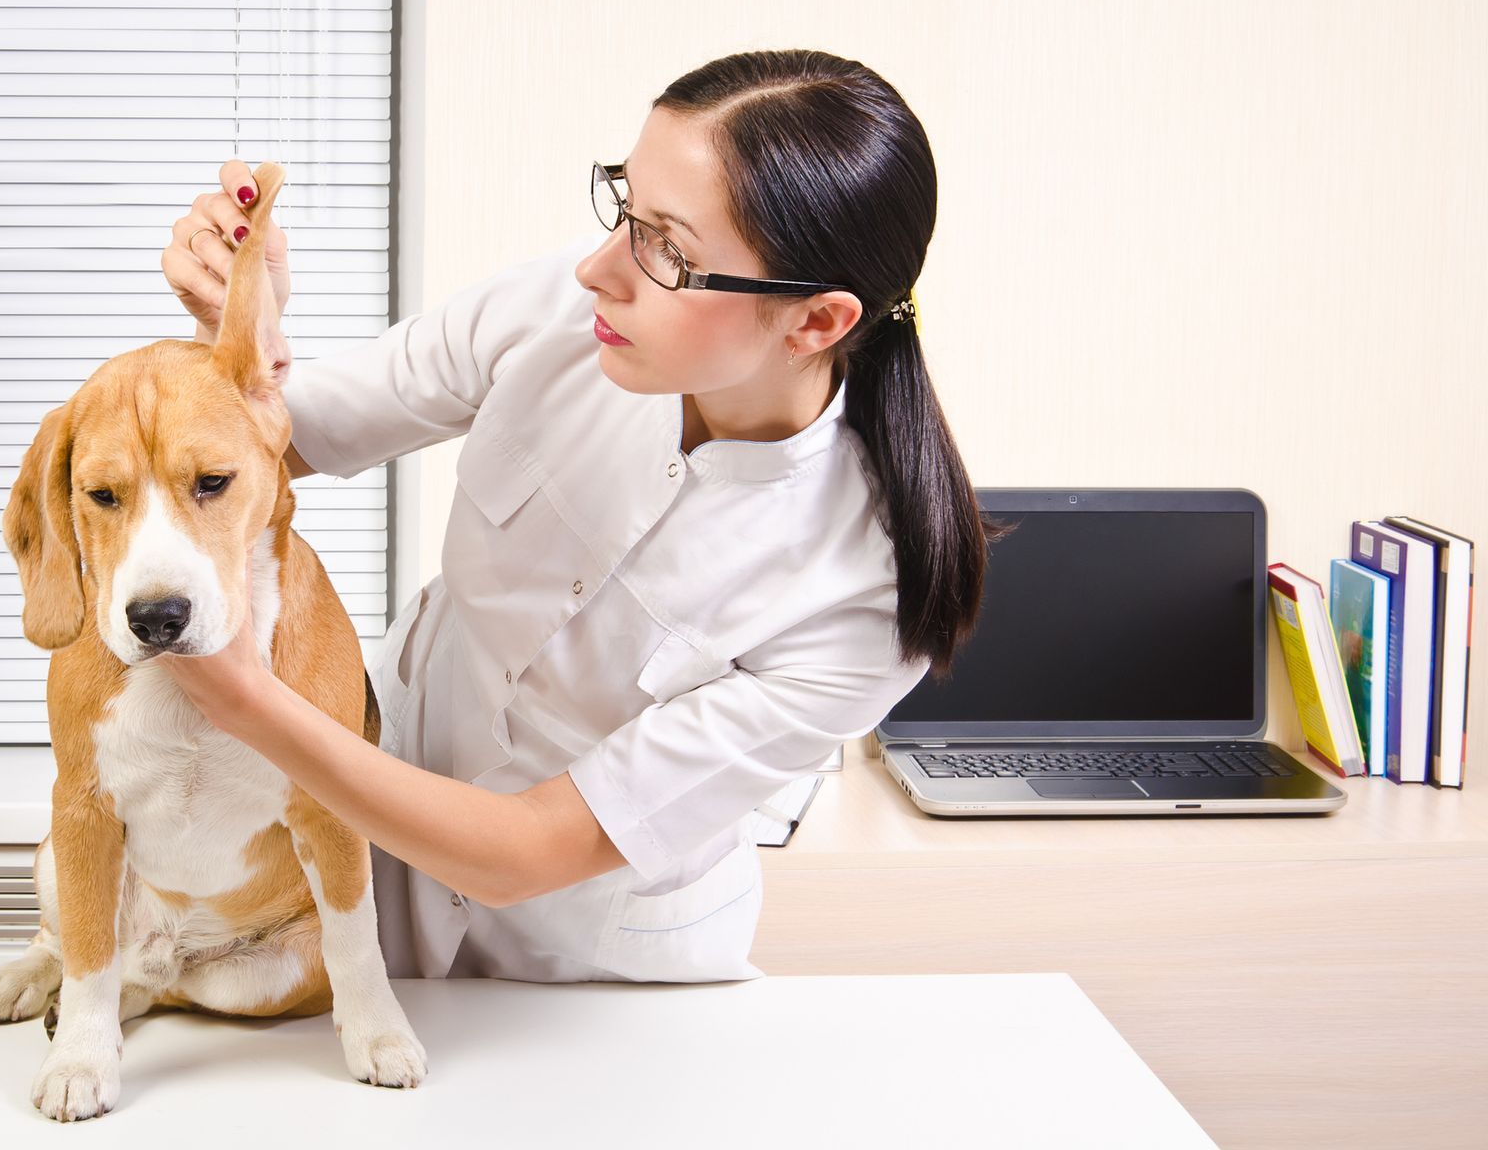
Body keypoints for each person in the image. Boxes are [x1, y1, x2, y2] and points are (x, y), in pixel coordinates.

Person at [154, 49, 1001, 984]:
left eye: (669, 251)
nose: (601, 269)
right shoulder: (566, 309)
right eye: (623, 205)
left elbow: (524, 849)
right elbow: (287, 446)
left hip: (589, 959)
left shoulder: (862, 600)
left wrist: (251, 705)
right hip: (372, 826)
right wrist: (247, 332)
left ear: (815, 323)